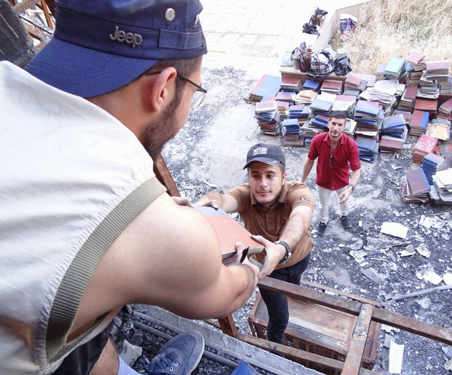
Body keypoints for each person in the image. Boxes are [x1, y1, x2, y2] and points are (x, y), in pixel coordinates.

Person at [0, 1, 268, 374]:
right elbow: (229, 292)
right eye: (195, 90)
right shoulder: (152, 228)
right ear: (163, 88)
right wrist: (256, 262)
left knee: (83, 336)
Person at [196, 143, 314, 344]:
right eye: (255, 176)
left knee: (296, 286)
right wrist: (204, 202)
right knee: (279, 318)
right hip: (268, 268)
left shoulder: (298, 191)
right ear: (249, 178)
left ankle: (294, 296)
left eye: (270, 175)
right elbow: (222, 200)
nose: (262, 183)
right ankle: (274, 347)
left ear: (283, 177)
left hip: (298, 258)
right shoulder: (245, 194)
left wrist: (282, 247)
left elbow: (300, 217)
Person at [301, 111, 361, 235]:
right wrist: (302, 181)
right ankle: (323, 221)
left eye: (340, 125)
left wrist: (350, 189)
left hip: (342, 180)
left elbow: (356, 170)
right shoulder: (317, 140)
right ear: (328, 124)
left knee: (344, 201)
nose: (335, 128)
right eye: (333, 123)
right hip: (323, 180)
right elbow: (310, 161)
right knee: (323, 205)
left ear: (344, 127)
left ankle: (343, 215)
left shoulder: (351, 145)